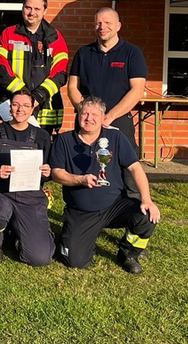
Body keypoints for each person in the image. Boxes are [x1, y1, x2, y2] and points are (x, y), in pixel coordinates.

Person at [50, 96, 160, 274]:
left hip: (114, 205)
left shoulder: (115, 137)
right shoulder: (64, 140)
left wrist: (146, 199)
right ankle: (77, 241)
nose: (89, 118)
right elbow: (56, 174)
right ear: (78, 115)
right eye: (85, 113)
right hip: (82, 211)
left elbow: (135, 167)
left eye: (95, 114)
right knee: (75, 261)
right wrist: (80, 179)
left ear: (103, 118)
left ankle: (128, 253)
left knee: (146, 216)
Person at [0, 89, 54, 266]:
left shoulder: (42, 136)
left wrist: (47, 174)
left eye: (25, 105)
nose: (20, 109)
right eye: (15, 105)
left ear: (32, 109)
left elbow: (48, 171)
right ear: (10, 108)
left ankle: (19, 234)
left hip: (29, 196)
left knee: (39, 258)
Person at [67, 7, 147, 146]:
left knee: (122, 159)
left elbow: (137, 90)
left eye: (107, 23)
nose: (102, 27)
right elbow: (72, 87)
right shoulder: (83, 53)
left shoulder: (132, 53)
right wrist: (87, 113)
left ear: (118, 26)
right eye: (98, 23)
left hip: (118, 121)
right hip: (87, 124)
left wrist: (109, 117)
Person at [0, 0, 69, 137]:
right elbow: (1, 69)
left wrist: (38, 96)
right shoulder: (8, 34)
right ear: (22, 8)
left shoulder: (55, 38)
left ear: (45, 11)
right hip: (13, 107)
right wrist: (24, 97)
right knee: (11, 145)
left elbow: (60, 73)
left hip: (45, 108)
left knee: (43, 147)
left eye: (37, 9)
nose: (31, 13)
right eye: (28, 8)